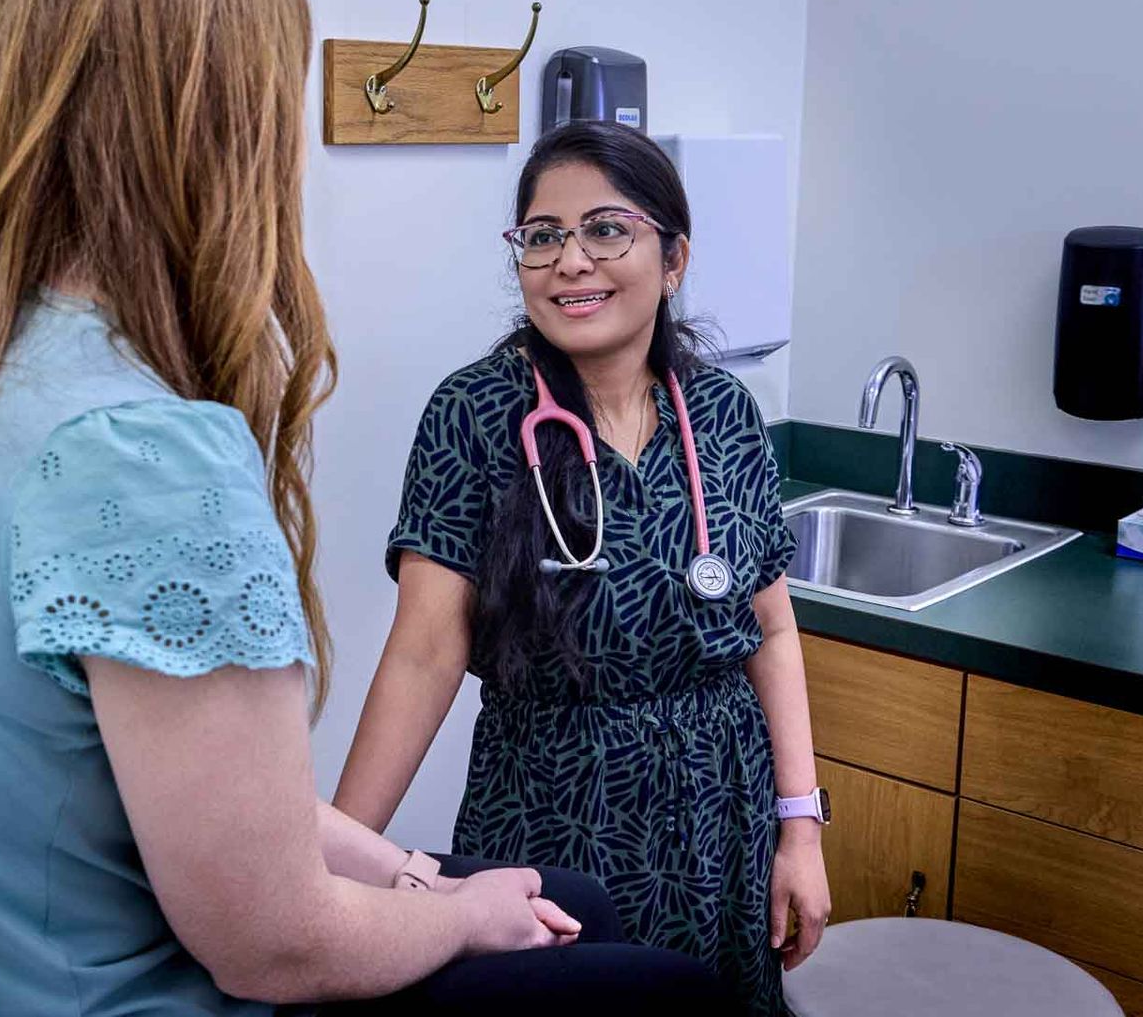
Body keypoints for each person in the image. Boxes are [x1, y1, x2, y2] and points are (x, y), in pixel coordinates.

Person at [0, 0, 732, 1016]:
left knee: (573, 908)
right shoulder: (145, 458)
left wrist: (411, 870)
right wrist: (456, 913)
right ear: (221, 129)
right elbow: (275, 947)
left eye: (612, 234)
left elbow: (169, 786)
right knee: (663, 989)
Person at [332, 121, 831, 1014]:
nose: (570, 260)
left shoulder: (722, 413)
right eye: (543, 235)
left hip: (723, 812)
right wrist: (338, 859)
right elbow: (422, 655)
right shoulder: (475, 414)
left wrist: (801, 832)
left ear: (673, 258)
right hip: (556, 812)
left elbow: (773, 627)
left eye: (607, 229)